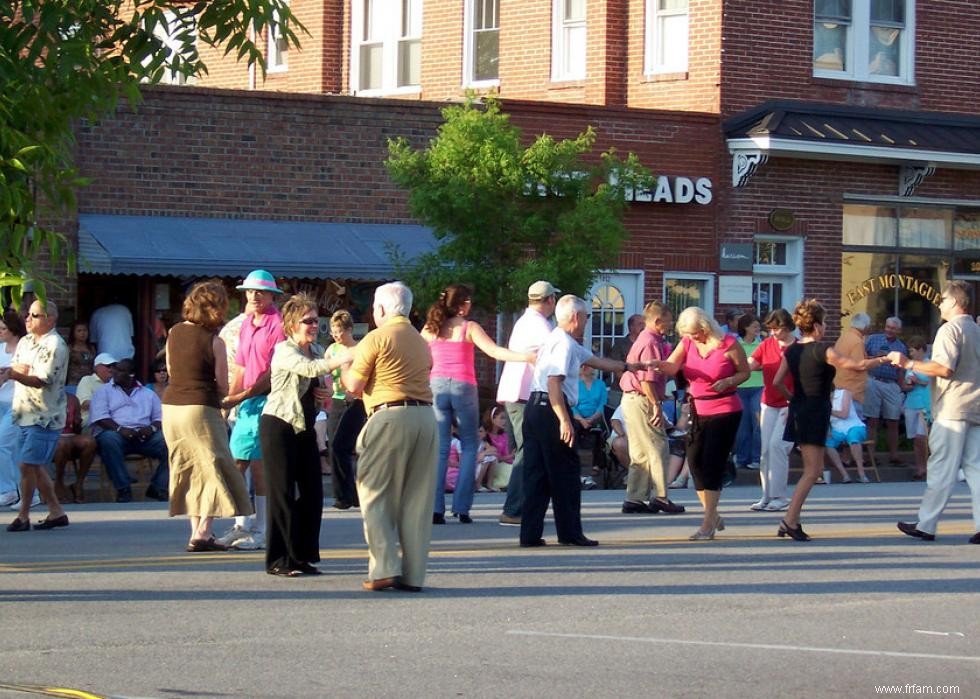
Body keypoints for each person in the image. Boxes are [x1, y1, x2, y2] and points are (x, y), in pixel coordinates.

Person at [520, 294, 650, 548]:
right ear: (576, 317)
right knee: (566, 473)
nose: (588, 322)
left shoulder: (558, 340)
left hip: (534, 408)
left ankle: (530, 534)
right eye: (588, 316)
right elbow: (554, 382)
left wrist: (628, 367)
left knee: (536, 474)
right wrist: (564, 421)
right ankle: (570, 533)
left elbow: (595, 361)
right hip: (551, 408)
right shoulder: (564, 345)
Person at [342, 282, 438, 592]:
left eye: (374, 307)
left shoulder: (376, 338)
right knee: (417, 499)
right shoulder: (422, 342)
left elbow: (354, 386)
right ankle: (413, 574)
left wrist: (345, 368)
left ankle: (383, 566)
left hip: (388, 416)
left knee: (375, 491)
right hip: (425, 418)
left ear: (381, 309)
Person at [772, 300, 885, 541]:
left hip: (801, 409)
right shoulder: (823, 350)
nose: (825, 327)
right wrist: (883, 360)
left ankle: (792, 520)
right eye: (823, 322)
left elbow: (777, 382)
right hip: (815, 410)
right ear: (815, 325)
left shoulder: (791, 350)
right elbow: (856, 365)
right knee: (812, 472)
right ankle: (789, 520)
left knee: (810, 469)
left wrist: (794, 400)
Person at [422, 284, 534, 525]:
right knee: (470, 445)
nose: (470, 305)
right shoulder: (468, 328)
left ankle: (436, 508)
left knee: (440, 448)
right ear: (462, 305)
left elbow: (419, 356)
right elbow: (494, 351)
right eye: (468, 301)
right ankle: (462, 508)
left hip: (437, 385)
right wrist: (525, 357)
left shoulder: (431, 329)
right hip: (463, 385)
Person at [260, 293, 351, 576]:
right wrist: (349, 353)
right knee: (282, 493)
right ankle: (279, 559)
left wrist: (320, 393)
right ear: (291, 325)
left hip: (303, 427)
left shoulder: (318, 349)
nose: (314, 326)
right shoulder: (285, 350)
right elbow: (309, 369)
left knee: (312, 492)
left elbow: (315, 383)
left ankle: (301, 555)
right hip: (279, 424)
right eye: (307, 321)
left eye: (316, 321)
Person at [162, 280, 252, 553]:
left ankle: (195, 532)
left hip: (171, 407)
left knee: (187, 466)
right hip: (200, 407)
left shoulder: (174, 332)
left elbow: (169, 368)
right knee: (215, 467)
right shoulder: (215, 341)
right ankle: (204, 531)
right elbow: (222, 385)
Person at [892, 281, 980, 544]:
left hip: (952, 407)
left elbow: (944, 368)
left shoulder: (949, 330)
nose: (940, 303)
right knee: (976, 468)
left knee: (941, 467)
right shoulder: (975, 329)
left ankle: (926, 524)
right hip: (975, 406)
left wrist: (909, 363)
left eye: (943, 299)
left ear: (954, 302)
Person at [652, 307, 749, 540]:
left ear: (706, 327)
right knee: (694, 461)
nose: (693, 338)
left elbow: (744, 372)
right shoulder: (687, 343)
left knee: (712, 464)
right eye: (689, 334)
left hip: (725, 409)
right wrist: (653, 363)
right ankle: (712, 514)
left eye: (696, 333)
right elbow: (672, 366)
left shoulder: (728, 344)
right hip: (698, 408)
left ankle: (707, 524)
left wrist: (728, 380)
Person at [219, 269, 287, 551]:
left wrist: (243, 395)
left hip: (268, 400)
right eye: (249, 291)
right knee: (237, 462)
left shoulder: (278, 325)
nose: (254, 295)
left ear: (272, 295)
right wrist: (231, 398)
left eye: (260, 291)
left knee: (259, 466)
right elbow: (241, 367)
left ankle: (262, 529)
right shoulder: (247, 324)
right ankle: (241, 524)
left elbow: (274, 371)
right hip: (246, 403)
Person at [495, 281, 557, 527]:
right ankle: (514, 509)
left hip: (514, 391)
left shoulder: (525, 320)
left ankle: (521, 505)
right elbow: (555, 354)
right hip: (523, 393)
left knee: (526, 450)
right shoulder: (541, 325)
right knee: (527, 451)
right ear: (550, 300)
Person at [4, 299, 70, 532]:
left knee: (26, 464)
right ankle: (56, 511)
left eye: (35, 315)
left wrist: (14, 374)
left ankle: (23, 515)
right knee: (34, 466)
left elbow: (40, 379)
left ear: (51, 320)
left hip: (44, 415)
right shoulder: (25, 341)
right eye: (28, 315)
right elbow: (20, 367)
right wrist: (17, 371)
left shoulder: (55, 345)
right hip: (23, 412)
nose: (28, 319)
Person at [619, 301, 685, 516]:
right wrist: (656, 403)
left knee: (639, 452)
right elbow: (647, 377)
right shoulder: (651, 342)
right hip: (642, 399)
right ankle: (661, 496)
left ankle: (635, 498)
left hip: (631, 398)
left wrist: (658, 392)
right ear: (657, 321)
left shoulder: (643, 339)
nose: (670, 324)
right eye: (668, 320)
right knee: (658, 447)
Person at [90, 357, 169, 503]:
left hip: (144, 437)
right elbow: (100, 418)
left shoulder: (147, 394)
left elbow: (160, 418)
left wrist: (151, 428)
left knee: (171, 442)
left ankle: (158, 487)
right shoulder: (104, 392)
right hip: (116, 434)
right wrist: (120, 429)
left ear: (131, 374)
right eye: (115, 369)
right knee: (108, 439)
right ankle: (123, 488)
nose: (114, 372)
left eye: (120, 370)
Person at [746, 309, 796, 512]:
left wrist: (794, 404)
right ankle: (766, 495)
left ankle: (780, 496)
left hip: (789, 404)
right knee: (765, 450)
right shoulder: (767, 344)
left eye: (779, 329)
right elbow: (752, 363)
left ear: (789, 327)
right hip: (769, 402)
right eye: (772, 329)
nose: (775, 333)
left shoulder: (798, 348)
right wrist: (735, 365)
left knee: (778, 446)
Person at [325, 310, 362, 510]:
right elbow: (326, 372)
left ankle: (349, 494)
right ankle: (344, 494)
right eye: (333, 331)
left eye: (340, 331)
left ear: (349, 329)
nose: (336, 335)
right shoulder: (331, 350)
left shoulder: (359, 349)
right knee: (334, 446)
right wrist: (329, 389)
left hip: (356, 401)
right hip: (337, 400)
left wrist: (355, 391)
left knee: (345, 446)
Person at [864, 316, 908, 464]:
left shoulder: (901, 347)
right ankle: (871, 456)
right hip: (873, 380)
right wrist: (875, 357)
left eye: (893, 328)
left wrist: (901, 385)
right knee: (872, 420)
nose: (889, 330)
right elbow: (861, 358)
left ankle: (894, 455)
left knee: (893, 420)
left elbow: (903, 370)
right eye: (888, 327)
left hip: (891, 384)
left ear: (899, 330)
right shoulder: (872, 339)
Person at [0, 310, 28, 507]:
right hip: (0, 402)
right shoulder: (1, 349)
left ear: (13, 329)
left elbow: (28, 370)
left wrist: (9, 372)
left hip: (17, 403)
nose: (0, 332)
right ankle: (16, 490)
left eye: (3, 328)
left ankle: (11, 489)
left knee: (3, 444)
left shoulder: (24, 348)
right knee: (11, 448)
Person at [52, 393, 97, 503]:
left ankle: (78, 483)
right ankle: (59, 483)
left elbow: (77, 428)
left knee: (89, 442)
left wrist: (77, 421)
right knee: (62, 443)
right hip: (49, 436)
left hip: (70, 435)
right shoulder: (41, 396)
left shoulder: (71, 398)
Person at [734, 313, 763, 470]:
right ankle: (741, 458)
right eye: (754, 326)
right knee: (742, 426)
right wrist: (754, 365)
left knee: (758, 424)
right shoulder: (736, 344)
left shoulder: (761, 344)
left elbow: (766, 363)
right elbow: (735, 365)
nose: (758, 329)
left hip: (759, 386)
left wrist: (751, 366)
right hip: (740, 388)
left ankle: (756, 458)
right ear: (745, 328)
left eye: (758, 326)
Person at [824, 387, 870, 483]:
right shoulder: (821, 400)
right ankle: (844, 475)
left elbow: (844, 414)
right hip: (837, 430)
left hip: (853, 426)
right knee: (827, 443)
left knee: (853, 437)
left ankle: (861, 473)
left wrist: (827, 409)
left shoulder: (844, 393)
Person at [902, 336, 931, 481]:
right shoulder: (910, 366)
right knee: (915, 438)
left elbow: (929, 383)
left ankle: (926, 468)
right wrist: (908, 385)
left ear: (921, 350)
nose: (911, 354)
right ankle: (919, 467)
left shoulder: (929, 364)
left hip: (924, 404)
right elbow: (906, 386)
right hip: (910, 404)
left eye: (913, 351)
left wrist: (918, 381)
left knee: (922, 437)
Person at [833, 313, 871, 418]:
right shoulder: (858, 342)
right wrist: (877, 361)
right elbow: (860, 365)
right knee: (853, 428)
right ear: (865, 326)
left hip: (839, 386)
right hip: (852, 391)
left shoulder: (843, 337)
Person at [75, 353, 117, 430]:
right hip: (92, 419)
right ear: (97, 368)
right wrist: (110, 406)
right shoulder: (87, 380)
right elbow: (85, 404)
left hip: (113, 418)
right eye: (108, 366)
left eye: (113, 366)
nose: (111, 369)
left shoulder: (116, 384)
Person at [483, 405, 514, 490]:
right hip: (490, 465)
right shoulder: (485, 435)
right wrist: (510, 456)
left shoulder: (504, 436)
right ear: (493, 418)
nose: (504, 421)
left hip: (502, 464)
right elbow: (494, 456)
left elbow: (506, 456)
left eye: (505, 418)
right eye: (502, 418)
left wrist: (510, 458)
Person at [65, 320, 96, 389]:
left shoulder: (92, 348)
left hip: (89, 384)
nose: (83, 333)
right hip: (74, 383)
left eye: (85, 330)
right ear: (73, 333)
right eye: (79, 331)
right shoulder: (69, 348)